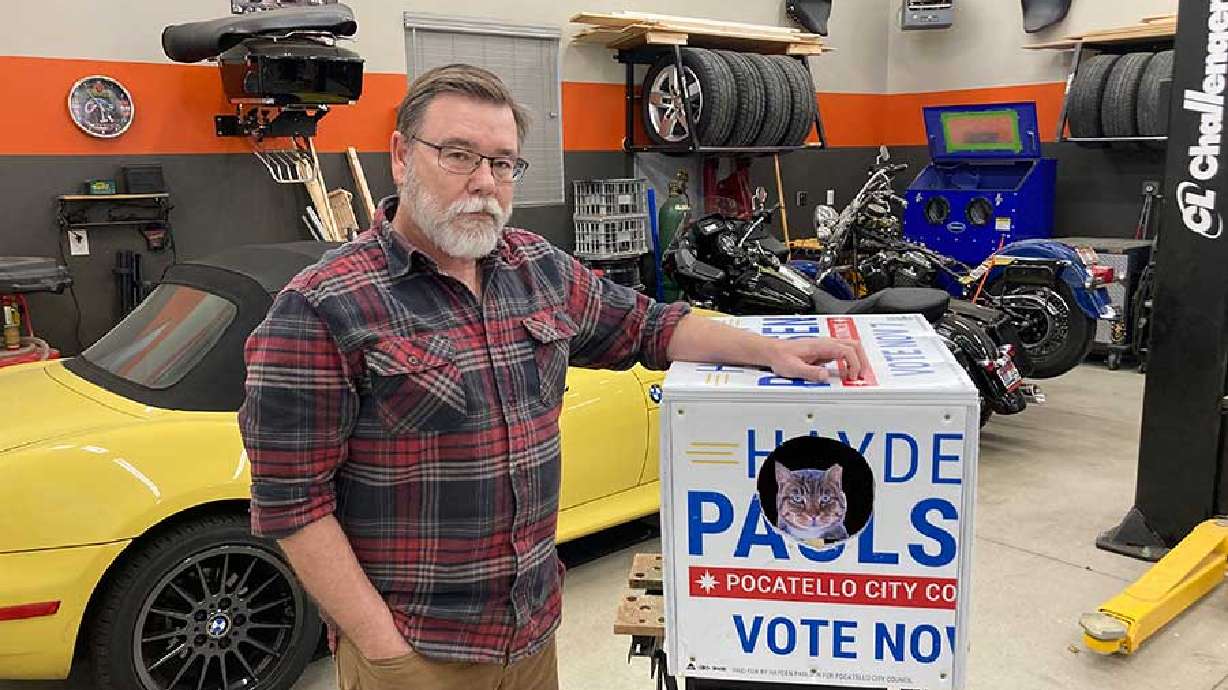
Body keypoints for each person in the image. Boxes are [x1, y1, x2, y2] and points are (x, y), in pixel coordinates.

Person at [237, 63, 864, 690]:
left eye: (503, 162)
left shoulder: (537, 271)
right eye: (458, 155)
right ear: (401, 156)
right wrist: (385, 650)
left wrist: (768, 349)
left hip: (532, 634)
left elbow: (652, 325)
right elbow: (293, 504)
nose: (484, 182)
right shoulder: (322, 306)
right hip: (417, 651)